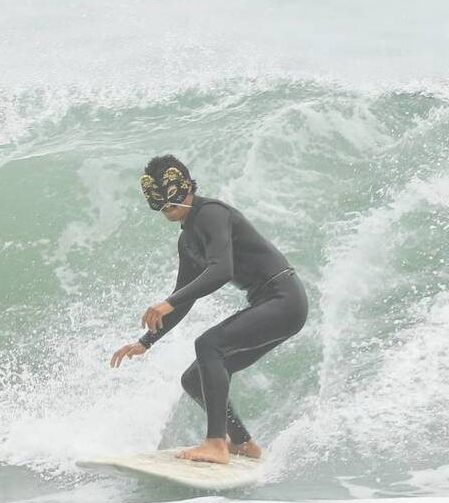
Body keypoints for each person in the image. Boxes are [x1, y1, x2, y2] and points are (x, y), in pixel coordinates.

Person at [109, 155, 308, 464]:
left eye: (171, 193)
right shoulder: (187, 240)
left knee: (208, 345)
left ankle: (216, 444)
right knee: (193, 378)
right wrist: (145, 341)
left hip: (284, 299)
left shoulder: (211, 214)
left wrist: (168, 302)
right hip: (271, 304)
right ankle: (242, 443)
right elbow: (183, 299)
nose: (167, 205)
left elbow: (221, 270)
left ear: (188, 185)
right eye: (158, 199)